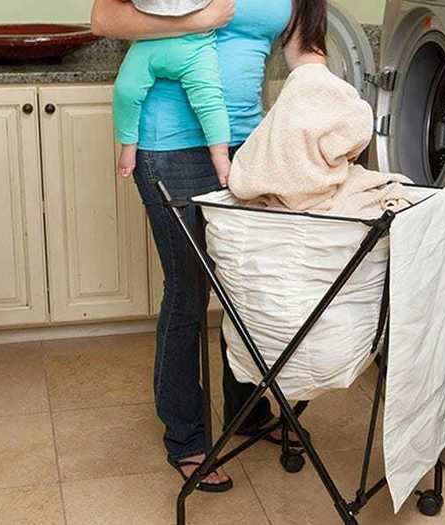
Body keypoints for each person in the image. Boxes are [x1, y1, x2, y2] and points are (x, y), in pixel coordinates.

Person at [91, 0, 328, 491]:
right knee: (189, 289)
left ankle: (247, 410)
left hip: (250, 145)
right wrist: (198, 20)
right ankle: (186, 434)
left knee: (247, 285)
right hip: (171, 142)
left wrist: (331, 103)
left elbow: (305, 50)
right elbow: (105, 19)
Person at [113, 0, 231, 186]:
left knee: (209, 99)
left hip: (195, 43)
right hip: (148, 43)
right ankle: (128, 144)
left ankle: (220, 153)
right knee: (126, 91)